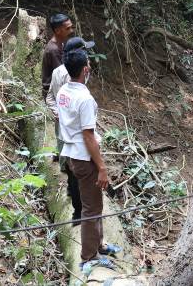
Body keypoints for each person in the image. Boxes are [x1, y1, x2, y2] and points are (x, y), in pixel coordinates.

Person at [57, 49, 119, 267]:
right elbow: (88, 136)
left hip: (73, 154)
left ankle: (98, 244)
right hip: (84, 158)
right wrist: (101, 167)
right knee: (91, 208)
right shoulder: (85, 99)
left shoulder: (64, 91)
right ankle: (89, 257)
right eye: (89, 64)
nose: (90, 66)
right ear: (85, 69)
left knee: (95, 203)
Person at [46, 37, 95, 223]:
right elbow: (54, 97)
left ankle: (73, 192)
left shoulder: (58, 71)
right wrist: (60, 112)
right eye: (85, 51)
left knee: (67, 157)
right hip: (73, 129)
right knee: (74, 163)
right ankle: (78, 207)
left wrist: (58, 111)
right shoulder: (73, 77)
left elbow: (50, 97)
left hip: (65, 124)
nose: (88, 56)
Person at [41, 13, 73, 101]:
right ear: (58, 30)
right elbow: (61, 75)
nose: (71, 31)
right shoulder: (53, 50)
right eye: (67, 28)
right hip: (52, 93)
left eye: (71, 27)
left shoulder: (60, 43)